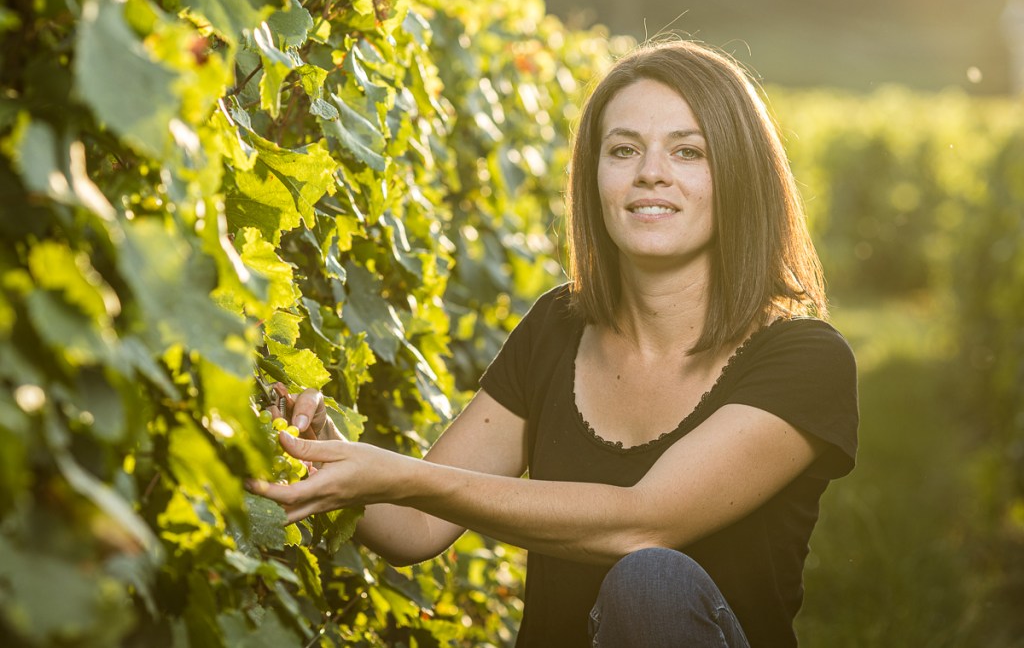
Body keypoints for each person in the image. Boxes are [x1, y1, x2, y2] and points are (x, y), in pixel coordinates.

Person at [251, 38, 859, 648]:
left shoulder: (805, 358)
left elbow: (642, 525)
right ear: (594, 178)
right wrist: (325, 453)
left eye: (688, 151)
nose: (651, 171)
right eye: (623, 150)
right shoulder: (558, 327)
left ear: (739, 175)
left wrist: (398, 474)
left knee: (652, 581)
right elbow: (413, 527)